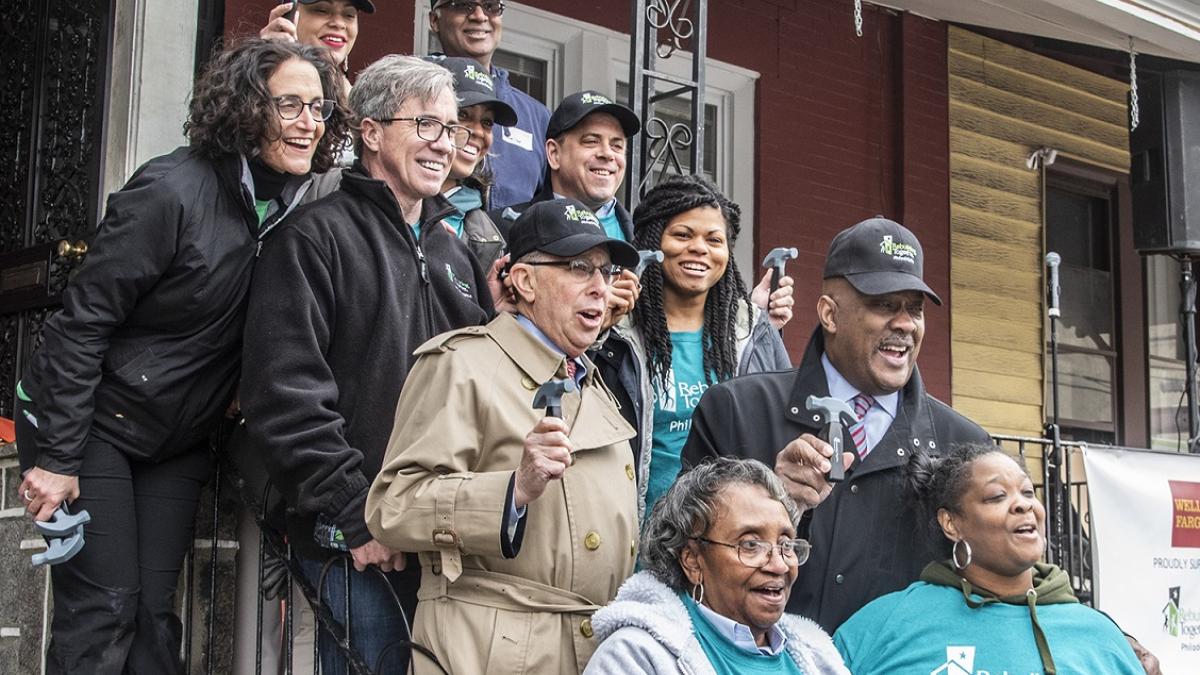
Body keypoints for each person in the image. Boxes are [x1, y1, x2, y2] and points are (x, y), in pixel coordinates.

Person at [14, 38, 345, 673]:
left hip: (176, 433)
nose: (309, 122)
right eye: (290, 105)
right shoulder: (171, 190)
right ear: (247, 108)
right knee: (104, 607)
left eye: (319, 106)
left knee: (153, 616)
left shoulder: (301, 205)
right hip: (89, 418)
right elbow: (82, 324)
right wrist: (57, 459)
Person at [239, 55, 494, 674]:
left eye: (453, 128)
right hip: (359, 541)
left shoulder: (453, 248)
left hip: (444, 537)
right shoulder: (313, 237)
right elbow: (284, 396)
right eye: (426, 125)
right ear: (372, 132)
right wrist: (356, 516)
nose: (444, 144)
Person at [365, 198, 640, 674]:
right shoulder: (462, 365)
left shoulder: (591, 379)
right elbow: (393, 504)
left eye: (606, 271)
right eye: (578, 268)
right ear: (525, 281)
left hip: (591, 649)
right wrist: (513, 490)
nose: (600, 288)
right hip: (491, 651)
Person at [681, 216, 992, 632]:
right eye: (883, 305)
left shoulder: (965, 446)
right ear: (829, 313)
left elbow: (988, 590)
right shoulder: (736, 410)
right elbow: (682, 556)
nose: (904, 324)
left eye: (914, 309)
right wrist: (773, 501)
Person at [833, 443, 1144, 674]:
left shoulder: (1101, 635)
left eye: (1028, 492)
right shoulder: (885, 625)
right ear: (951, 524)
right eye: (997, 496)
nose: (1023, 505)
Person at [592, 175, 794, 520]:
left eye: (714, 240)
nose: (700, 248)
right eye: (682, 235)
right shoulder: (614, 333)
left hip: (729, 542)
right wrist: (597, 330)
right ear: (653, 242)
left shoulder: (753, 334)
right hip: (631, 537)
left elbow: (785, 428)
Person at [585, 457, 848, 674]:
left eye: (786, 544)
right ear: (692, 560)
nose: (778, 565)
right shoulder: (636, 657)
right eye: (750, 545)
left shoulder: (819, 657)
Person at [430, 0, 550, 209]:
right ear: (434, 20)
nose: (479, 15)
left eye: (491, 6)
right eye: (462, 4)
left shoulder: (537, 116)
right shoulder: (412, 93)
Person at [429, 54, 519, 271]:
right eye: (463, 114)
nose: (478, 131)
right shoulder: (383, 198)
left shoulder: (489, 235)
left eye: (487, 122)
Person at [261, 0, 374, 83]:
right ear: (288, 15)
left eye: (349, 15)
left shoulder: (358, 104)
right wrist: (261, 65)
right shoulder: (260, 79)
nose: (339, 23)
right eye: (322, 10)